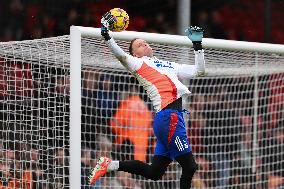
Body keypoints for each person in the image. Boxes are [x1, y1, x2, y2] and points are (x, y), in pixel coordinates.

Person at [89, 11, 206, 189]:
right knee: (190, 166)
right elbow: (120, 55)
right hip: (169, 117)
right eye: (138, 45)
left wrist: (198, 46)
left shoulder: (168, 65)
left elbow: (199, 71)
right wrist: (107, 37)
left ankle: (110, 165)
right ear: (135, 54)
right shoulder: (138, 63)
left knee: (155, 172)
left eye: (144, 42)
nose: (143, 44)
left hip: (169, 118)